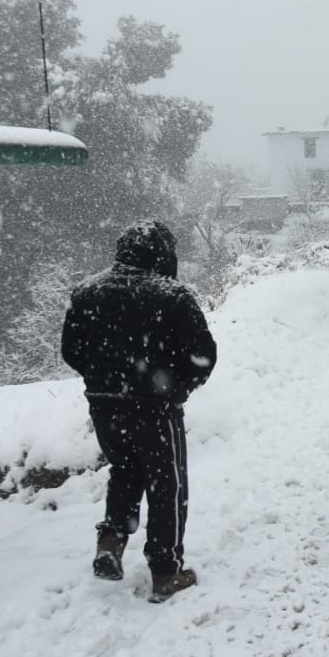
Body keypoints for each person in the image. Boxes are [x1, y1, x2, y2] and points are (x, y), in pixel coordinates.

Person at [61, 220, 216, 603]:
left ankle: (110, 544)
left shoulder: (86, 292)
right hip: (154, 410)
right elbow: (203, 356)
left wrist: (102, 382)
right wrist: (175, 389)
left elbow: (71, 351)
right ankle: (165, 572)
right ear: (164, 255)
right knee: (167, 487)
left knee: (126, 471)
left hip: (104, 407)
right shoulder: (172, 296)